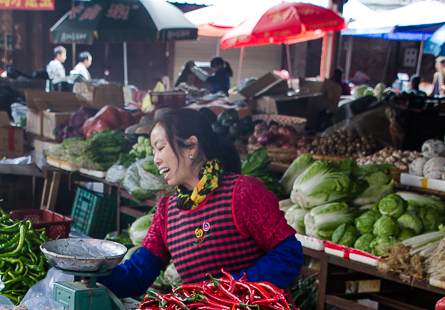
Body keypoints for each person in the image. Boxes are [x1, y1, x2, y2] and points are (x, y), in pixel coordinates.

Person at [101, 109, 303, 300]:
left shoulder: (242, 192)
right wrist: (92, 276)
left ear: (191, 146)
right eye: (154, 151)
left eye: (161, 148)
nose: (156, 159)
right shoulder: (168, 210)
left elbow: (288, 254)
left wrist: (233, 289)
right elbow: (139, 272)